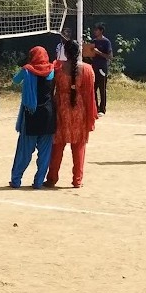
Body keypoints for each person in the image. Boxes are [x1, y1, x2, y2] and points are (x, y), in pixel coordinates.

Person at [44, 40, 98, 189]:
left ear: (65, 53)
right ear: (79, 52)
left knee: (57, 146)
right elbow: (90, 94)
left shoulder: (58, 68)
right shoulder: (87, 70)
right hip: (79, 109)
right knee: (79, 146)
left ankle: (52, 178)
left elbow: (50, 90)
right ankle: (77, 180)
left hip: (61, 109)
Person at [9, 46, 56, 189]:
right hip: (48, 115)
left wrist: (26, 70)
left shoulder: (27, 70)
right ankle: (38, 182)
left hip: (31, 114)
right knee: (45, 153)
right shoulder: (52, 70)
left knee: (24, 151)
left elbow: (15, 80)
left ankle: (16, 180)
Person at [91, 23, 112, 117]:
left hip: (102, 68)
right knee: (93, 88)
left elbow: (109, 56)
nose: (94, 31)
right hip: (93, 67)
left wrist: (98, 52)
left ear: (101, 31)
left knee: (102, 88)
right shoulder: (93, 41)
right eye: (94, 30)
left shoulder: (106, 42)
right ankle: (95, 107)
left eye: (96, 30)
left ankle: (102, 109)